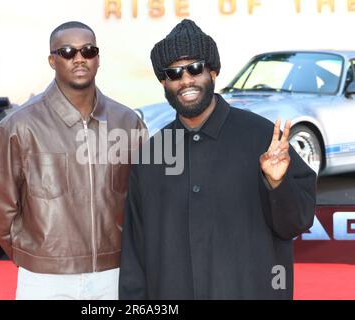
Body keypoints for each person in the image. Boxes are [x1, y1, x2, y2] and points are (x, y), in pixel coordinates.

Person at [118, 19, 316, 300]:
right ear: (164, 82)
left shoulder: (262, 138)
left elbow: (296, 223)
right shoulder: (151, 155)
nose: (185, 79)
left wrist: (278, 183)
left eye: (195, 68)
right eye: (174, 72)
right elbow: (135, 256)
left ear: (213, 72)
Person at [0, 21, 145, 300]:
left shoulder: (127, 122)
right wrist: (30, 253)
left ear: (98, 59)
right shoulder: (20, 125)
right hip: (45, 279)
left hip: (112, 274)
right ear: (52, 60)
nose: (79, 58)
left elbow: (142, 199)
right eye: (67, 52)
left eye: (88, 50)